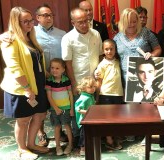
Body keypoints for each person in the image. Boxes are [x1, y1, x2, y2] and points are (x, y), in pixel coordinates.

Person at [0, 6, 49, 159]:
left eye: (31, 20)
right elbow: (14, 67)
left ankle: (31, 144)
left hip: (38, 84)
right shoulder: (10, 40)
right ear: (16, 22)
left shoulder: (30, 38)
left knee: (40, 114)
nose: (30, 24)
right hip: (22, 87)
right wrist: (27, 88)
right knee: (23, 120)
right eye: (25, 21)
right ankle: (22, 149)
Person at [61, 7, 102, 146]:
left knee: (95, 110)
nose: (85, 24)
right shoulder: (67, 38)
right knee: (79, 114)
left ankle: (93, 139)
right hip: (79, 83)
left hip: (94, 81)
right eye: (80, 22)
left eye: (86, 21)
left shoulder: (96, 34)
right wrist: (73, 84)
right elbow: (68, 63)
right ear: (73, 22)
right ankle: (79, 141)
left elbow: (101, 56)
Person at [35, 3, 67, 147]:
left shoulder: (62, 34)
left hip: (58, 78)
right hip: (40, 77)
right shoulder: (32, 33)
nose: (49, 18)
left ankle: (61, 131)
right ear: (37, 18)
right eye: (45, 15)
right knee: (41, 108)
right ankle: (40, 133)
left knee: (60, 105)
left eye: (50, 15)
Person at [113, 8, 161, 82]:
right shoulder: (117, 38)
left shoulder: (146, 33)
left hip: (145, 78)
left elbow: (158, 49)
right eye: (129, 22)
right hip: (124, 80)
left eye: (134, 22)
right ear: (123, 22)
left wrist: (152, 55)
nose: (132, 25)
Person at [95, 39, 123, 150]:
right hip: (105, 94)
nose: (109, 51)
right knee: (107, 118)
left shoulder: (118, 62)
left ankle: (116, 136)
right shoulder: (102, 65)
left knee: (116, 117)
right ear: (103, 50)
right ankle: (109, 139)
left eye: (111, 49)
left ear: (115, 50)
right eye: (106, 49)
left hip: (118, 94)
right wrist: (98, 96)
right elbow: (99, 81)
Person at [45, 58, 73, 156]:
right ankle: (58, 146)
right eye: (52, 68)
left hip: (66, 108)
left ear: (63, 69)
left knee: (67, 126)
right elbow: (49, 96)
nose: (54, 70)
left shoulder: (66, 80)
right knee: (57, 127)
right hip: (54, 109)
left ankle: (70, 145)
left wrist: (72, 109)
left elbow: (70, 95)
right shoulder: (49, 81)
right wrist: (56, 108)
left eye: (57, 68)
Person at [75, 76, 97, 156]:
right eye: (90, 87)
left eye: (94, 86)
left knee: (89, 133)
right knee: (83, 135)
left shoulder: (90, 96)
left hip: (89, 119)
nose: (93, 89)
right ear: (83, 88)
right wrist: (88, 112)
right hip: (84, 120)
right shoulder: (84, 98)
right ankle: (82, 148)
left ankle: (89, 146)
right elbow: (78, 109)